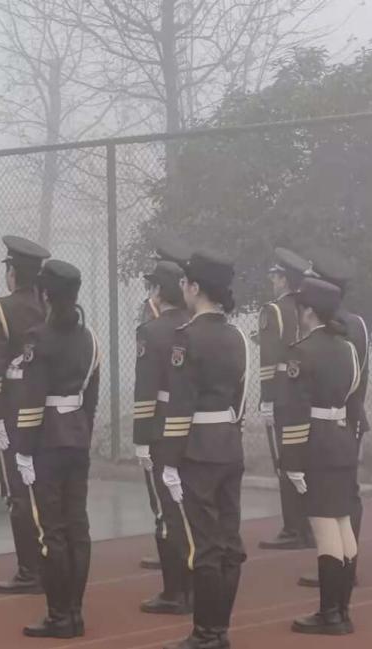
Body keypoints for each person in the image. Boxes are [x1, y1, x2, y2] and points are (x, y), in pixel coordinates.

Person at [160, 249, 249, 649]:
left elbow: (180, 404)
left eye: (185, 282)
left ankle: (205, 633)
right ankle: (220, 630)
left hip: (196, 449)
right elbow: (240, 398)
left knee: (204, 545)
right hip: (228, 443)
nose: (183, 288)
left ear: (196, 288)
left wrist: (169, 461)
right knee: (229, 542)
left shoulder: (186, 337)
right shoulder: (237, 336)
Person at [9, 259, 101, 639]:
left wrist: (22, 449)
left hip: (46, 441)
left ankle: (59, 615)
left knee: (53, 531)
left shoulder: (38, 337)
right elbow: (91, 399)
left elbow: (32, 398)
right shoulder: (89, 339)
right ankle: (75, 612)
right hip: (76, 437)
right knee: (78, 527)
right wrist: (81, 430)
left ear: (45, 294)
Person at [279, 278, 361, 635]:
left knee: (325, 525)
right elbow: (352, 396)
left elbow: (295, 410)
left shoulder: (301, 351)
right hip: (341, 439)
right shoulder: (347, 349)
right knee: (342, 523)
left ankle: (329, 614)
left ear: (309, 311)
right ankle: (342, 610)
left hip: (316, 443)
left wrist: (292, 461)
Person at [296, 249, 370, 590]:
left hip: (332, 423)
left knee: (333, 506)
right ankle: (344, 572)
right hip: (348, 420)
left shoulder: (330, 331)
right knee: (344, 500)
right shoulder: (355, 325)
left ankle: (338, 576)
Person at [0, 235, 52, 595]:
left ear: (12, 272)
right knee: (43, 486)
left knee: (17, 491)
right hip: (48, 410)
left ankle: (30, 570)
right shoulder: (50, 308)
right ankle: (51, 562)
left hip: (13, 411)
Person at [134, 260, 193, 615]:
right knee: (190, 507)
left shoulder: (151, 332)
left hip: (160, 429)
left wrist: (141, 438)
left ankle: (175, 592)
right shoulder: (195, 325)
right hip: (194, 427)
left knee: (165, 510)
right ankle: (193, 586)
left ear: (158, 291)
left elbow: (146, 390)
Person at [258, 248, 315, 551]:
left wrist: (267, 399)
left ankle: (293, 528)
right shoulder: (309, 308)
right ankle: (309, 525)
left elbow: (269, 357)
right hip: (307, 391)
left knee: (285, 460)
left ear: (283, 280)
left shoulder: (274, 311)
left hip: (282, 392)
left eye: (275, 276)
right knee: (305, 458)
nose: (272, 281)